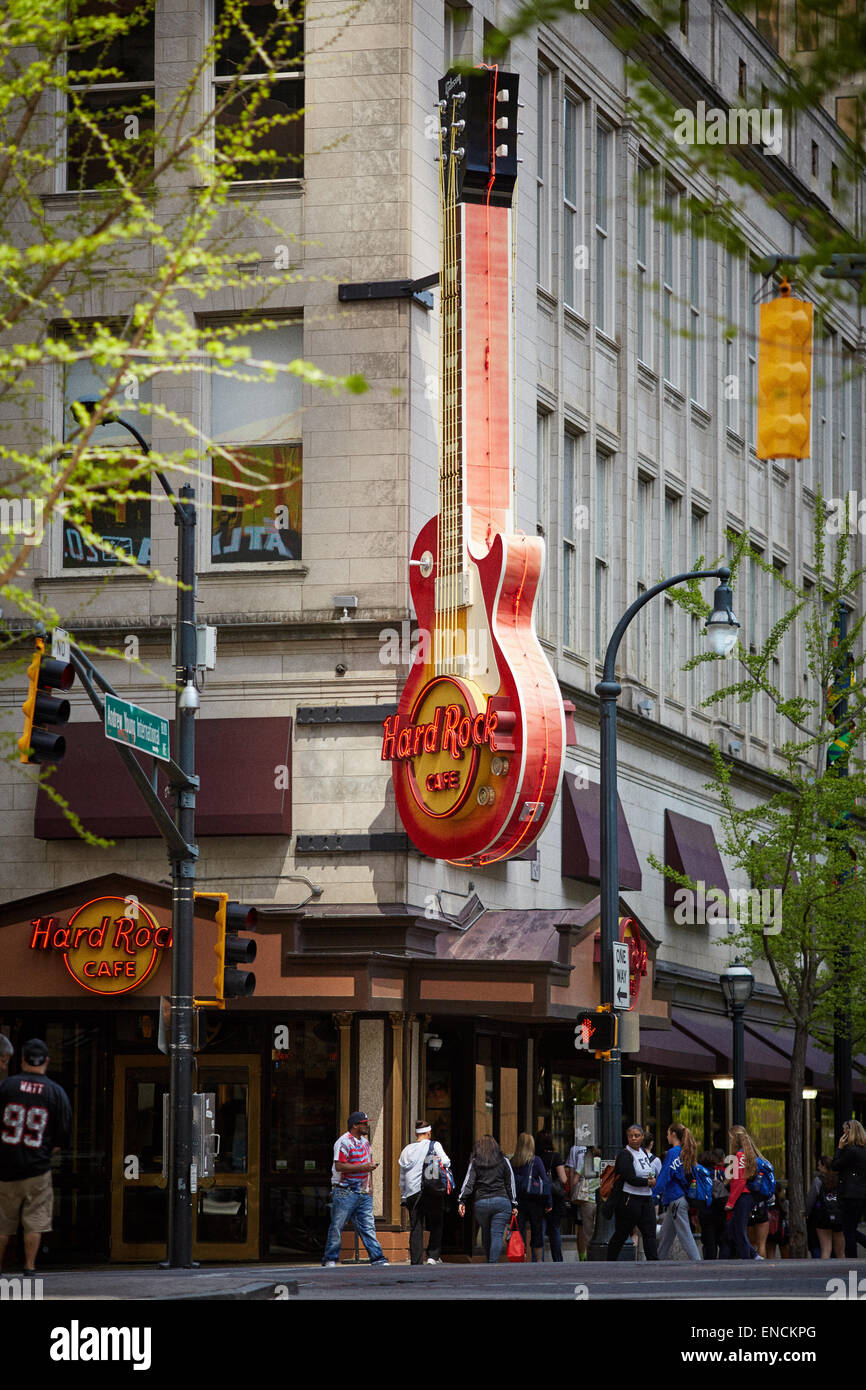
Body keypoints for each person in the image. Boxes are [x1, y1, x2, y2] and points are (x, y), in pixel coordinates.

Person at [0, 1038, 72, 1276]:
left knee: (3, 1223)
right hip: (38, 1167)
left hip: (5, 1167)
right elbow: (62, 1135)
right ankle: (29, 1266)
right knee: (35, 1219)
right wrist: (47, 1150)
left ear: (22, 1060)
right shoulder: (56, 1092)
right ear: (47, 1061)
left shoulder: (7, 1087)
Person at [321, 1110, 389, 1267]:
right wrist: (364, 1167)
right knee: (338, 1225)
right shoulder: (343, 1142)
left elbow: (368, 1166)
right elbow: (339, 1166)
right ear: (355, 1125)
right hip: (345, 1190)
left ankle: (377, 1258)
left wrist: (370, 1186)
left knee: (368, 1226)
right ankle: (330, 1259)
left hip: (362, 1191)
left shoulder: (365, 1143)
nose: (367, 1126)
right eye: (364, 1123)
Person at [458, 1135, 517, 1263]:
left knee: (485, 1230)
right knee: (496, 1233)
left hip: (481, 1203)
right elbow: (510, 1182)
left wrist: (462, 1200)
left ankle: (489, 1260)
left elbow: (468, 1182)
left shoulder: (476, 1161)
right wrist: (514, 1203)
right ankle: (493, 1262)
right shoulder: (503, 1160)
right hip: (501, 1202)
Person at [398, 1120, 451, 1265]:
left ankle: (416, 1261)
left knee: (415, 1226)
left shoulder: (406, 1150)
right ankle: (432, 1256)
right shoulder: (434, 1145)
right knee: (436, 1222)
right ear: (429, 1133)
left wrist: (403, 1194)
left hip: (411, 1193)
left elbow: (402, 1176)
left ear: (416, 1134)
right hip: (430, 1190)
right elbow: (446, 1162)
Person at [606, 1123, 658, 1262]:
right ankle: (609, 1261)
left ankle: (653, 1261)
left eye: (637, 1135)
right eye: (630, 1136)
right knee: (622, 1233)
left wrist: (652, 1180)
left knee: (649, 1232)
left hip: (646, 1199)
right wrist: (647, 1182)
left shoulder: (643, 1153)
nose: (634, 1138)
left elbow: (647, 1172)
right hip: (630, 1199)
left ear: (642, 1137)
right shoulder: (625, 1154)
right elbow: (629, 1177)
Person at [653, 1122, 702, 1261]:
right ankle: (658, 1262)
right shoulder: (685, 1152)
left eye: (668, 1133)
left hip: (675, 1198)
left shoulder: (673, 1152)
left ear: (673, 1134)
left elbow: (665, 1175)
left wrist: (652, 1192)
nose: (666, 1136)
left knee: (685, 1234)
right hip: (680, 1198)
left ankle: (697, 1262)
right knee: (665, 1235)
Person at [725, 1124, 764, 1261]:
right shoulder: (745, 1155)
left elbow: (739, 1182)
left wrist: (730, 1203)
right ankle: (752, 1255)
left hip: (742, 1196)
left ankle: (747, 1257)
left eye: (731, 1138)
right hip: (745, 1196)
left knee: (739, 1229)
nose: (730, 1141)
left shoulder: (740, 1156)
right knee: (735, 1229)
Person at [512, 1132, 551, 1263]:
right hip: (535, 1201)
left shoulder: (513, 1161)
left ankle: (520, 1257)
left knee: (519, 1230)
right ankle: (538, 1260)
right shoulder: (536, 1161)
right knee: (537, 1230)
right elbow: (545, 1182)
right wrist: (548, 1203)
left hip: (518, 1201)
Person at [830, 1119, 866, 1258]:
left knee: (848, 1230)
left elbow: (835, 1165)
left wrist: (839, 1148)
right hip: (862, 1194)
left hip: (850, 1195)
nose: (843, 1133)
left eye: (845, 1130)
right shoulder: (863, 1150)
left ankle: (852, 1259)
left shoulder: (850, 1151)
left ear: (850, 1132)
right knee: (851, 1228)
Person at [535, 1128, 568, 1262]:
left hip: (537, 1197)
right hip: (555, 1198)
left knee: (540, 1229)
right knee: (554, 1229)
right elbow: (564, 1179)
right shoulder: (556, 1156)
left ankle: (538, 1259)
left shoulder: (534, 1157)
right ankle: (557, 1260)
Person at [566, 1142, 600, 1259]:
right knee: (599, 1228)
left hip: (586, 1200)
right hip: (601, 1201)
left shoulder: (584, 1161)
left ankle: (587, 1256)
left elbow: (574, 1179)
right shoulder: (603, 1163)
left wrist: (572, 1194)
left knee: (587, 1231)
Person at [805, 1158, 844, 1259]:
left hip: (823, 1217)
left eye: (819, 1165)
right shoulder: (840, 1180)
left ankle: (825, 1273)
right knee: (840, 1252)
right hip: (839, 1217)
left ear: (824, 1166)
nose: (818, 1167)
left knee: (825, 1250)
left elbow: (811, 1199)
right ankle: (844, 1273)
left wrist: (806, 1213)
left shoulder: (818, 1181)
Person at [697, 1148, 728, 1260]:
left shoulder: (700, 1175)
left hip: (706, 1211)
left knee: (709, 1243)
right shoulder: (724, 1173)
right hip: (721, 1211)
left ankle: (709, 1265)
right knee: (723, 1241)